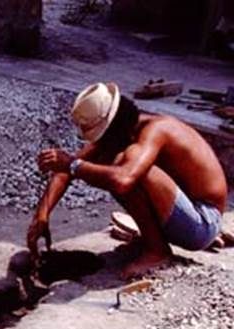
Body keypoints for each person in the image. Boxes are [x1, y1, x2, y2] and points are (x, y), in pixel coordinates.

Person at [30, 82, 229, 279]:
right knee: (111, 164)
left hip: (203, 223)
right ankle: (152, 241)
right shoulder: (125, 132)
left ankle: (157, 251)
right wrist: (42, 215)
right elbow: (65, 172)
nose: (98, 143)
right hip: (188, 215)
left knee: (125, 170)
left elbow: (122, 179)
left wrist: (73, 164)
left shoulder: (156, 131)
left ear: (113, 126)